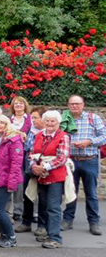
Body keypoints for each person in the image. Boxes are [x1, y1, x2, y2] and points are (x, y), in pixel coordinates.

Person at [61, 95, 104, 236]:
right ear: (68, 105)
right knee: (70, 192)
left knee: (91, 193)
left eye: (77, 104)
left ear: (83, 105)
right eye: (72, 104)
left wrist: (89, 142)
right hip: (71, 161)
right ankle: (67, 220)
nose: (75, 106)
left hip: (89, 160)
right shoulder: (65, 119)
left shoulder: (93, 118)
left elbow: (104, 136)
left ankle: (94, 222)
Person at [26, 110, 70, 249]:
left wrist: (44, 167)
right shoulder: (39, 135)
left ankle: (55, 238)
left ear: (58, 123)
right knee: (43, 206)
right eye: (47, 121)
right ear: (43, 122)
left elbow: (62, 158)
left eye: (53, 121)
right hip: (41, 176)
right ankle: (49, 233)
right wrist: (34, 166)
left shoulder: (63, 136)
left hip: (55, 176)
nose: (50, 123)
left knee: (53, 207)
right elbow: (32, 153)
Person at [0, 115, 24, 248]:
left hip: (7, 180)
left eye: (2, 123)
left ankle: (11, 237)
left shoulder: (13, 140)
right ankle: (4, 236)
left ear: (7, 125)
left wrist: (12, 183)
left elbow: (16, 164)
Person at [15, 106, 47, 234]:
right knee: (27, 195)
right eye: (32, 117)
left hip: (43, 169)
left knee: (43, 198)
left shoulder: (48, 132)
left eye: (36, 118)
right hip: (28, 167)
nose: (33, 120)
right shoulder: (30, 131)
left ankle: (41, 225)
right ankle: (26, 222)